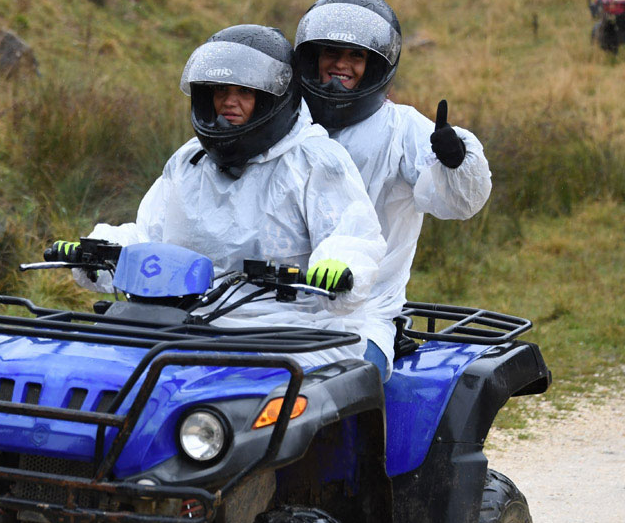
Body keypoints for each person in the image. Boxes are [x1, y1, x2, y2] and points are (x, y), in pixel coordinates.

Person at [54, 25, 391, 373]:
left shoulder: (316, 160)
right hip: (186, 321)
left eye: (245, 91)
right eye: (221, 90)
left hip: (290, 330)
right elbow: (149, 235)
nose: (230, 101)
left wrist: (339, 266)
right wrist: (98, 250)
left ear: (273, 98)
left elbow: (353, 235)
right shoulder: (189, 160)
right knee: (94, 365)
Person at [294, 0, 493, 377]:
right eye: (331, 53)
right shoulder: (289, 124)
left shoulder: (402, 128)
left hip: (361, 314)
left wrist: (455, 160)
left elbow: (458, 203)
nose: (341, 65)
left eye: (356, 56)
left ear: (375, 65)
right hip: (273, 308)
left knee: (338, 391)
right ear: (312, 58)